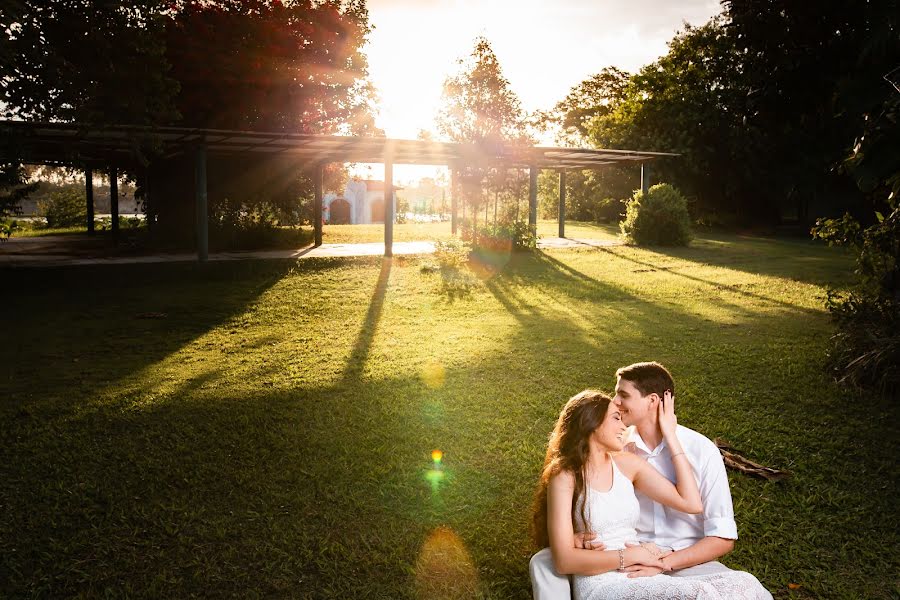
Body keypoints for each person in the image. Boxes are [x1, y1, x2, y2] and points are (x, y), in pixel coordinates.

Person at [529, 367, 772, 599]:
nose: (618, 407)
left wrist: (671, 436)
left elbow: (698, 511)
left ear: (653, 401)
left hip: (676, 557)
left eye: (623, 396)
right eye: (614, 413)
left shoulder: (697, 451)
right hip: (624, 564)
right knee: (543, 560)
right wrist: (578, 538)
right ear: (592, 424)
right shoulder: (604, 455)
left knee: (746, 586)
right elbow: (580, 508)